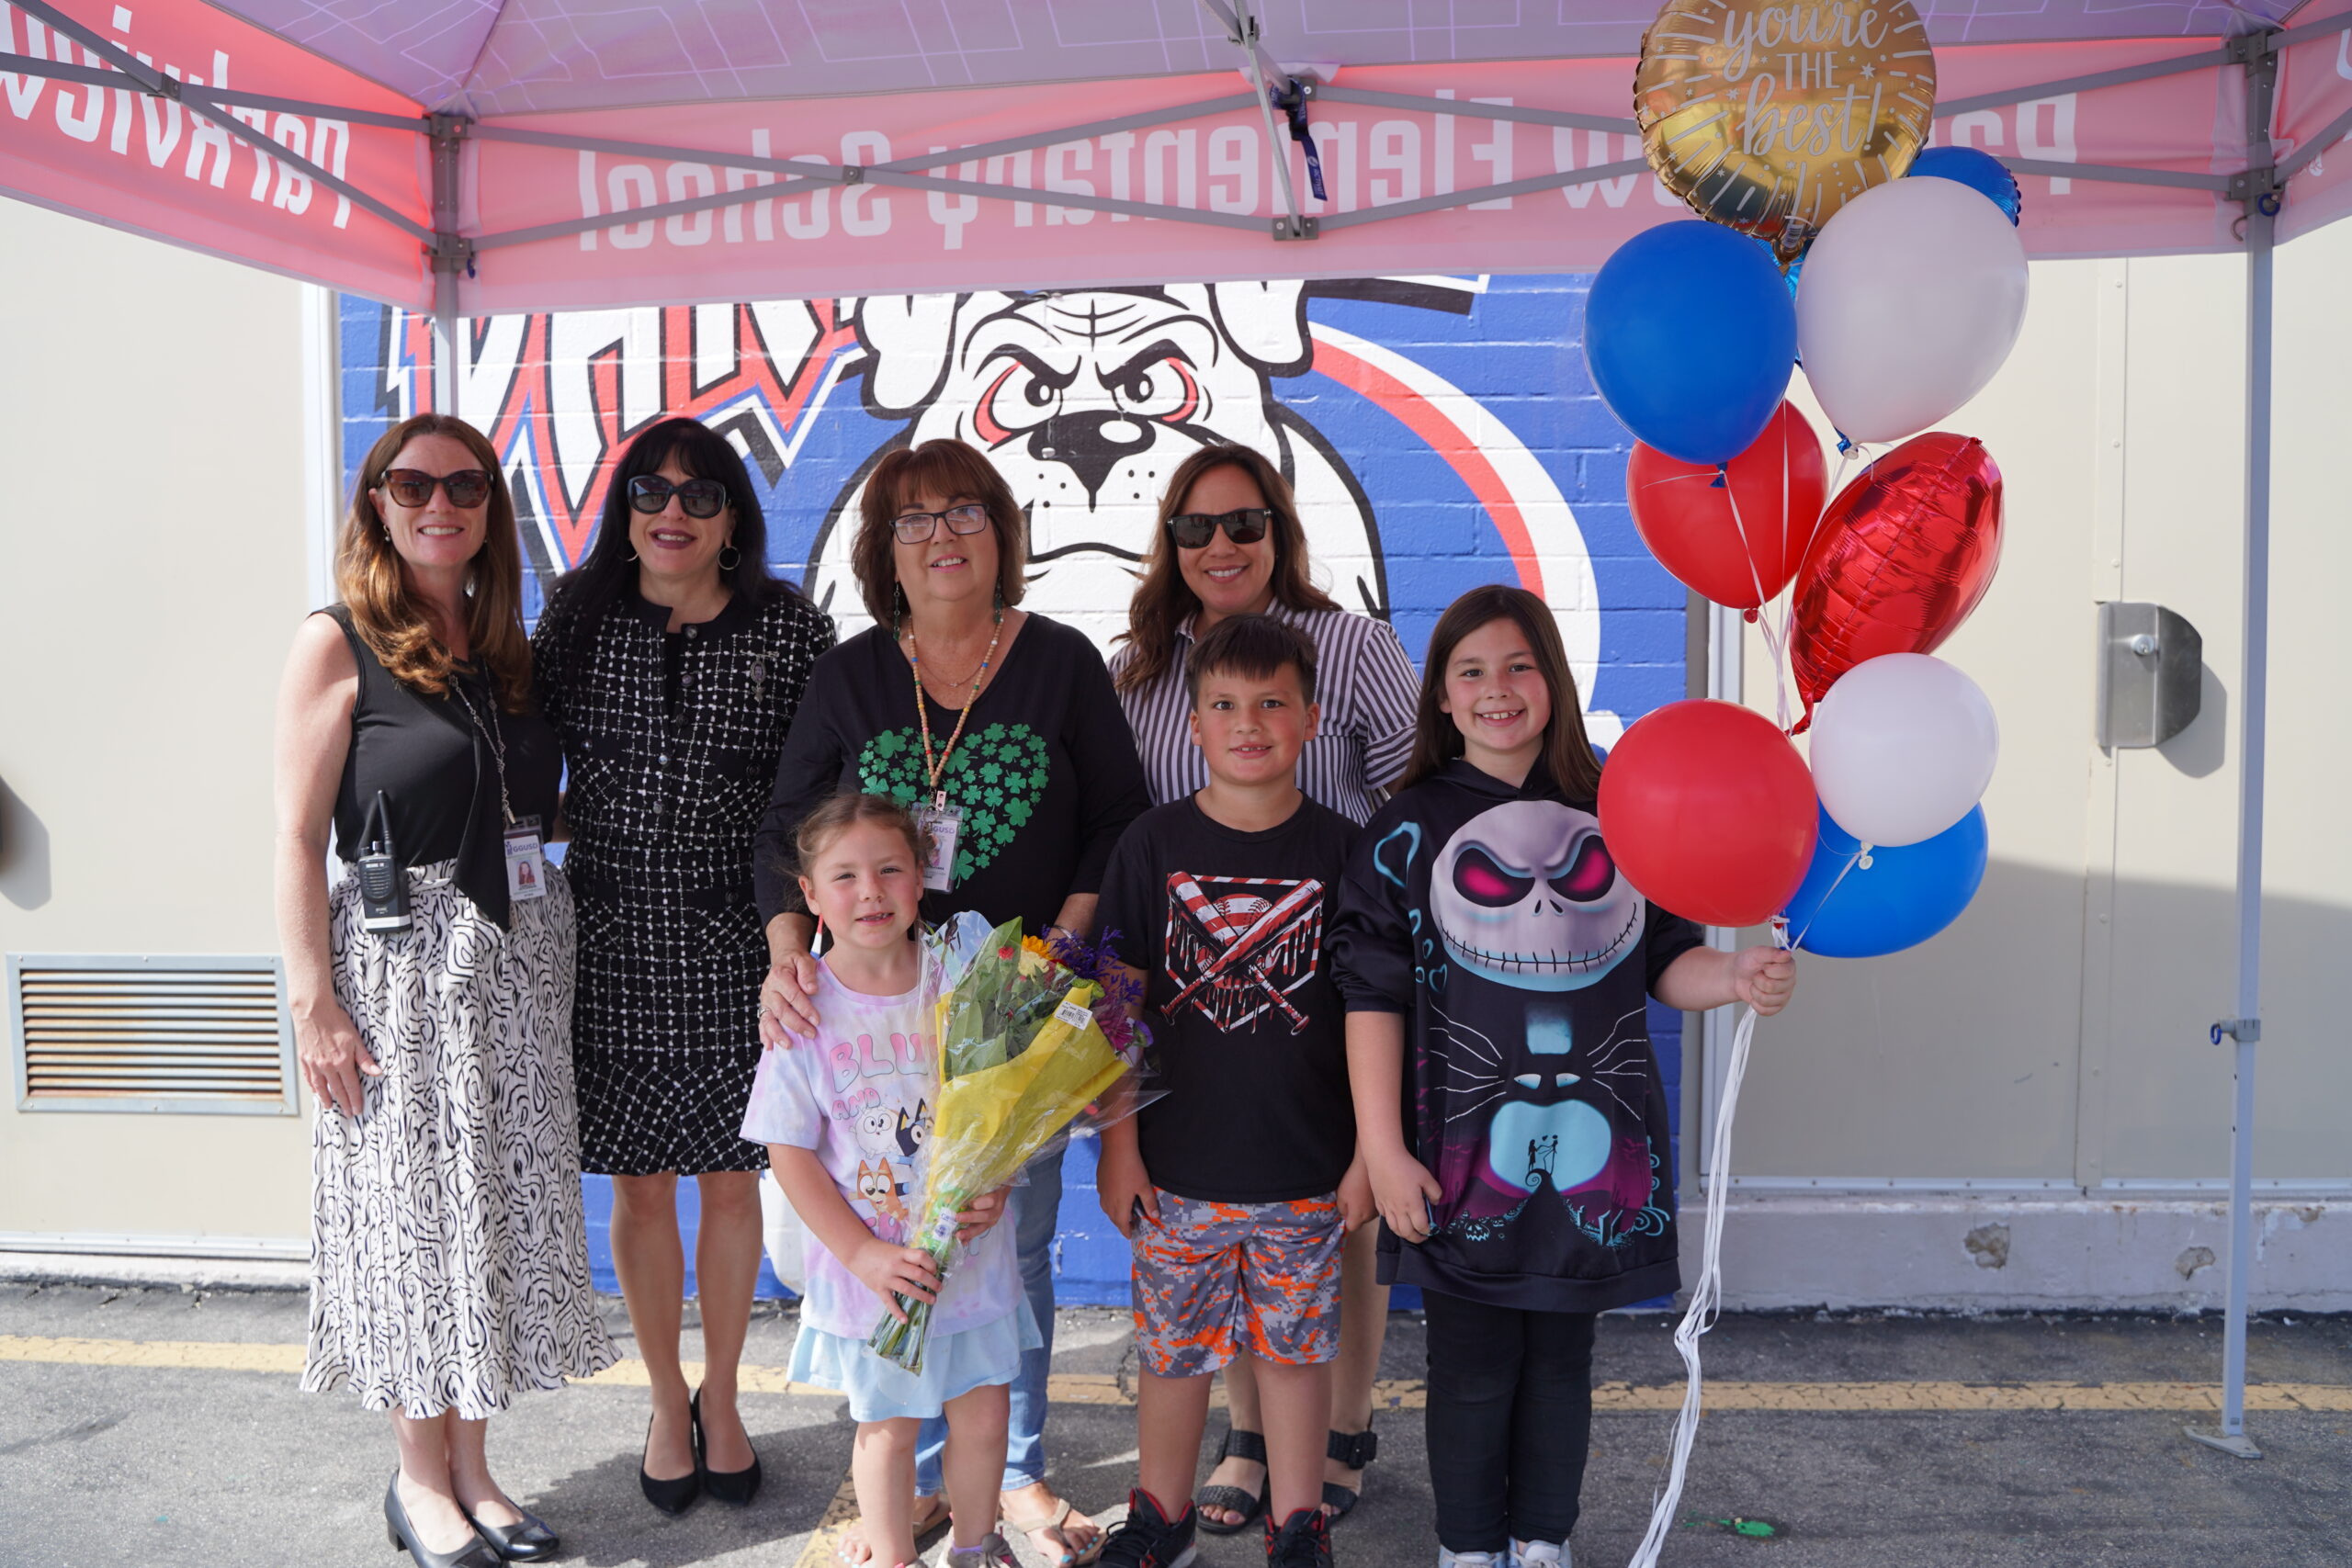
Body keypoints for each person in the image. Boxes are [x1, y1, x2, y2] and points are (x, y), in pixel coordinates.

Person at [1329, 585, 1797, 1568]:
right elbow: (1370, 995)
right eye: (1471, 672)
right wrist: (1381, 1148)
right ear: (1442, 700)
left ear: (1554, 679)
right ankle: (1468, 1549)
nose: (1496, 689)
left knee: (1560, 1365)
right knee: (1467, 1366)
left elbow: (1665, 955)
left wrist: (1734, 974)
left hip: (1600, 1139)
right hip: (1454, 1155)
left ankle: (1544, 1541)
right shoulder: (1403, 832)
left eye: (1517, 665)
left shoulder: (1619, 810)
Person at [756, 437, 1151, 1565]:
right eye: (915, 518)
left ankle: (1009, 1465)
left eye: (965, 512)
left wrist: (1051, 967)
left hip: (1009, 1006)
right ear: (885, 546)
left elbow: (1117, 819)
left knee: (1007, 1237)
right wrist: (793, 951)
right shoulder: (852, 676)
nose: (942, 536)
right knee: (892, 1222)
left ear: (1000, 533)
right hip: (875, 997)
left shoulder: (1062, 663)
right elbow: (784, 826)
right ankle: (914, 1470)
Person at [276, 413, 614, 1568]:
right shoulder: (336, 641)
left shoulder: (501, 643)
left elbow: (524, 808)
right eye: (412, 483)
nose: (440, 503)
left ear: (489, 509)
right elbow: (291, 838)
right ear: (378, 500)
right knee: (415, 1225)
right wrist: (313, 1000)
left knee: (490, 1227)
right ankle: (420, 1483)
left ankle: (477, 1469)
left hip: (515, 969)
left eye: (464, 484)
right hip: (397, 974)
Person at [531, 415, 835, 1516]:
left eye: (699, 496)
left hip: (733, 943)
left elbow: (814, 798)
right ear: (625, 511)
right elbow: (528, 752)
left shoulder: (789, 631)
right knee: (641, 1185)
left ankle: (726, 1395)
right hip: (608, 938)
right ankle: (666, 1400)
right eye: (651, 492)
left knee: (729, 1177)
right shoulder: (578, 618)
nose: (672, 512)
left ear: (732, 521)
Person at [1112, 444, 1419, 1526]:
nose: (1220, 546)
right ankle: (1245, 1447)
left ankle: (1333, 1438)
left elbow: (1411, 795)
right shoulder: (1145, 670)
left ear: (1279, 530)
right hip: (1198, 1012)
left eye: (1242, 523)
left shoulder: (1349, 647)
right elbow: (1129, 893)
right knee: (1215, 1231)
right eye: (1195, 528)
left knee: (1328, 1230)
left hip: (1325, 983)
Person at [1091, 615, 1371, 1568]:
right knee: (1172, 1355)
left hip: (1304, 1164)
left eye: (1270, 703)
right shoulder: (1150, 843)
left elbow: (1378, 1012)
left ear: (1311, 719)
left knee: (1294, 1355)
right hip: (1176, 1168)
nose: (1247, 722)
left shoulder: (1345, 852)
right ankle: (1159, 1516)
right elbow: (1118, 1001)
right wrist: (1118, 1143)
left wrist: (1369, 1151)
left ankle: (1299, 1524)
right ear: (1193, 724)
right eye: (1223, 705)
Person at [743, 794, 1027, 1568]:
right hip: (873, 1272)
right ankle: (897, 1555)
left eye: (890, 869)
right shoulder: (804, 1007)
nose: (870, 890)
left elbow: (1011, 1098)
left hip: (969, 1257)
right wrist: (863, 1255)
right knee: (887, 1424)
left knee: (982, 1410)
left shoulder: (962, 974)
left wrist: (999, 1179)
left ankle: (974, 1545)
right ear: (809, 895)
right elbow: (789, 1152)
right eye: (844, 876)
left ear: (922, 874)